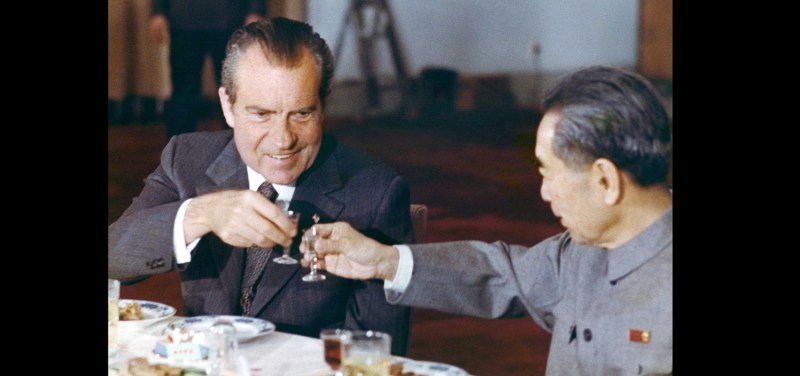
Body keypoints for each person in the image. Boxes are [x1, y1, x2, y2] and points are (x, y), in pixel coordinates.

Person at [303, 65, 673, 374]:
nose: (544, 193)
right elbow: (502, 274)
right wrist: (384, 261)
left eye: (549, 173)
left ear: (605, 181)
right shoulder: (582, 252)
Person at [109, 17, 413, 356]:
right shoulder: (188, 158)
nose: (282, 139)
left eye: (301, 114)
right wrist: (200, 214)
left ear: (323, 106)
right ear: (228, 106)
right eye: (262, 114)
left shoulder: (376, 193)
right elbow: (113, 257)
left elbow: (372, 356)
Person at [149, 0, 266, 138]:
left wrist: (255, 10)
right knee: (183, 92)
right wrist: (158, 11)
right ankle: (180, 150)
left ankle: (239, 149)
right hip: (183, 19)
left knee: (234, 90)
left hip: (229, 18)